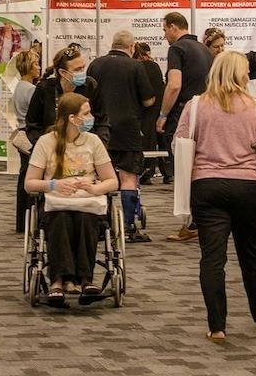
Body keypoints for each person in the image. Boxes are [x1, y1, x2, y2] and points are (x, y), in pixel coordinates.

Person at [175, 52, 256, 343]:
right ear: (241, 74)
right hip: (249, 187)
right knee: (251, 255)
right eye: (246, 71)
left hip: (207, 186)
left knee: (212, 258)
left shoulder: (196, 106)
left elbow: (178, 144)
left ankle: (217, 326)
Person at [23, 92, 118, 307]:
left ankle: (85, 280)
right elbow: (29, 183)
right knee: (61, 219)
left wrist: (95, 188)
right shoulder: (46, 142)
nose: (91, 117)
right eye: (86, 114)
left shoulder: (93, 141)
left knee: (86, 219)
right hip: (57, 202)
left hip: (87, 201)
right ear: (72, 118)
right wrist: (53, 185)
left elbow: (112, 181)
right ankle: (57, 281)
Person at [84, 30, 156, 242]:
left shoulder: (95, 65)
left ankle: (100, 224)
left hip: (99, 128)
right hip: (128, 128)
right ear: (131, 47)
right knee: (129, 177)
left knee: (99, 176)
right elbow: (148, 100)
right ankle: (128, 227)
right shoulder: (136, 66)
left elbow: (87, 96)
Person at [159, 14, 214, 241]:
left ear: (173, 27)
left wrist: (163, 115)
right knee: (201, 167)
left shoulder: (177, 49)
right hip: (205, 112)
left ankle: (192, 224)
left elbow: (174, 85)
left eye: (165, 30)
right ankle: (204, 221)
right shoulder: (205, 50)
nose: (164, 35)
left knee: (182, 168)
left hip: (183, 114)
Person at [9, 49, 42, 235]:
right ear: (28, 67)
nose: (38, 67)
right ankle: (31, 219)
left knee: (24, 176)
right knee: (32, 179)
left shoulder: (19, 87)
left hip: (22, 135)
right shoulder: (31, 90)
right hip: (30, 135)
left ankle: (23, 220)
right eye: (36, 64)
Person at [132, 41, 165, 184]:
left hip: (142, 108)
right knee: (157, 141)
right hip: (157, 107)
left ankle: (144, 172)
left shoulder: (135, 67)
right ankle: (163, 172)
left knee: (144, 142)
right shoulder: (154, 66)